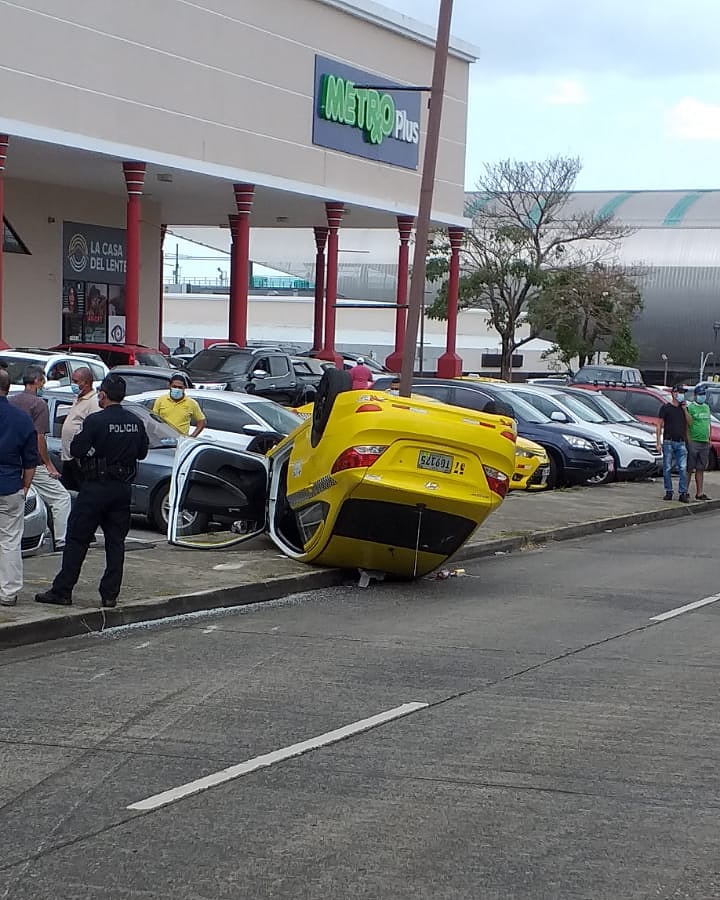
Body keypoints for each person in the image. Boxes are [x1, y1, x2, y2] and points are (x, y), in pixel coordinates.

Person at [35, 374, 149, 609]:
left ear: (103, 394)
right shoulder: (135, 421)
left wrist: (94, 452)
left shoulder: (96, 420)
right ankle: (109, 595)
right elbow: (142, 453)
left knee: (77, 538)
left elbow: (77, 448)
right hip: (122, 488)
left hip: (96, 487)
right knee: (115, 543)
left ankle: (63, 590)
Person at [10, 365, 72, 550]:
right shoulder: (39, 404)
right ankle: (62, 541)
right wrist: (48, 464)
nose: (44, 384)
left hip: (12, 461)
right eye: (43, 381)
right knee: (61, 498)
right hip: (32, 464)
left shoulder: (11, 401)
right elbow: (39, 438)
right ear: (37, 381)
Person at [0, 369, 40, 606]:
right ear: (9, 388)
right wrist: (25, 487)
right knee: (10, 541)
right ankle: (8, 592)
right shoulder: (21, 418)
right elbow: (30, 460)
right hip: (10, 485)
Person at [60, 366, 100, 489]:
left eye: (76, 382)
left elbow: (95, 429)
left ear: (86, 383)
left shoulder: (94, 401)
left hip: (79, 460)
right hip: (68, 457)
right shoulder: (78, 399)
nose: (73, 384)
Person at [656, 384, 691, 502]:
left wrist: (685, 409)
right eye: (679, 392)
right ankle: (669, 491)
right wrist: (658, 442)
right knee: (667, 468)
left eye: (682, 393)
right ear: (673, 393)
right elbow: (659, 424)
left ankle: (682, 492)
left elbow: (689, 423)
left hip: (681, 442)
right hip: (668, 441)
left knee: (682, 468)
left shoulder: (684, 408)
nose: (681, 395)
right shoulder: (666, 408)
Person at [686, 387, 712, 500]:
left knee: (700, 468)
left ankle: (700, 493)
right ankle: (684, 491)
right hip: (693, 441)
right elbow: (687, 425)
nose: (702, 396)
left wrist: (709, 438)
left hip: (704, 441)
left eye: (704, 394)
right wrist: (688, 440)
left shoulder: (706, 407)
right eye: (700, 394)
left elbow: (708, 424)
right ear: (695, 395)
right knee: (689, 468)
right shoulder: (690, 408)